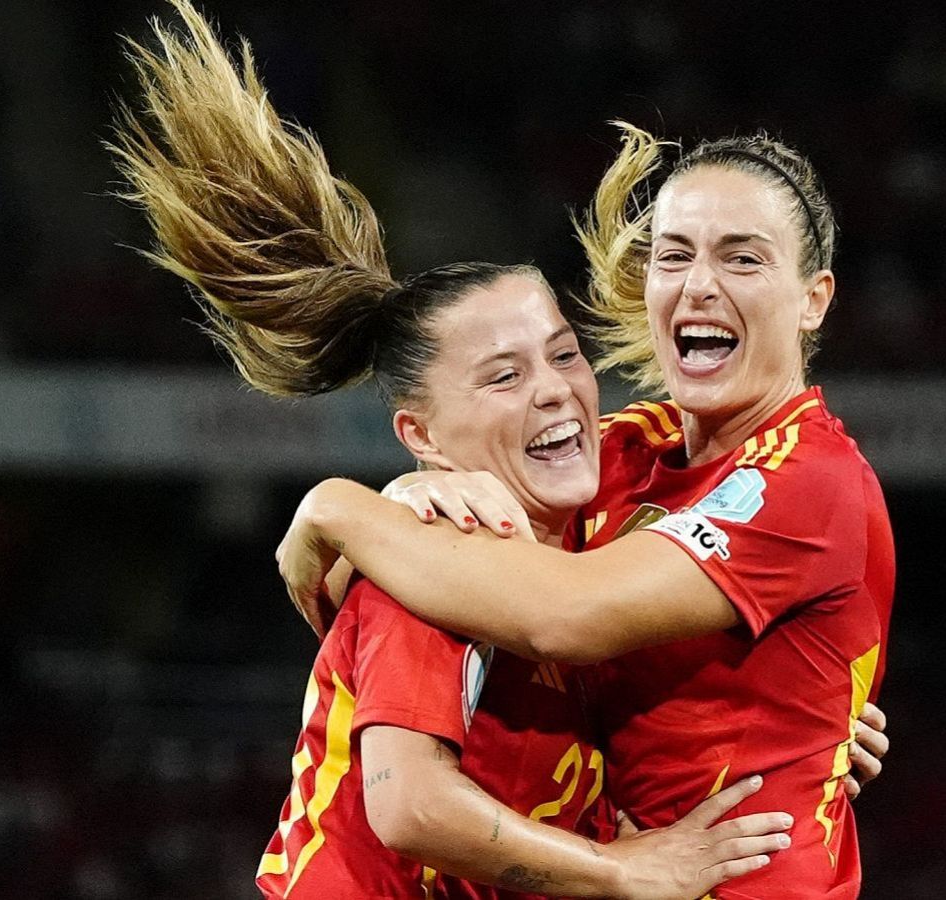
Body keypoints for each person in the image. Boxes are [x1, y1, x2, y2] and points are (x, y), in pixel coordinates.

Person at [109, 4, 795, 897]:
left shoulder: (597, 535)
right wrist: (621, 872)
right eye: (504, 377)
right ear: (421, 438)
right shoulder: (432, 564)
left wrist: (807, 714)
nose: (555, 389)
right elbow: (412, 807)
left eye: (563, 354)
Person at [275, 122, 895, 897]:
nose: (700, 283)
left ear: (813, 299)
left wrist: (338, 506)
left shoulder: (811, 476)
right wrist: (403, 497)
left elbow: (566, 614)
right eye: (675, 255)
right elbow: (406, 570)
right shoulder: (622, 455)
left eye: (742, 257)